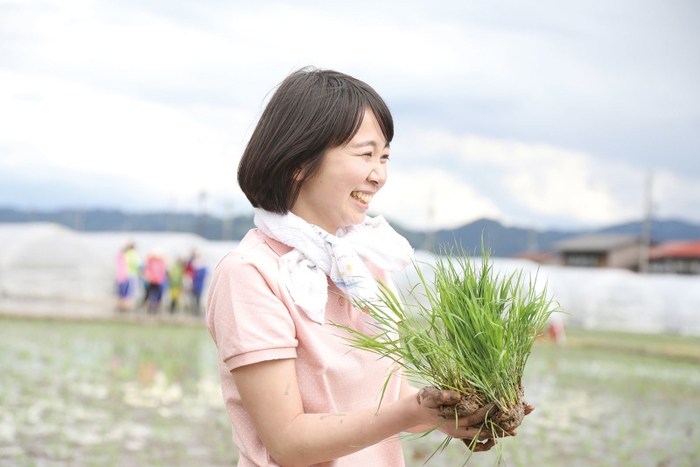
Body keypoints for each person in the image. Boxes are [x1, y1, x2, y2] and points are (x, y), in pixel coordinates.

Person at [206, 68, 532, 467]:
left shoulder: (361, 268)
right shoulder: (251, 273)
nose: (379, 175)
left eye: (385, 156)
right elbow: (287, 442)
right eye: (365, 154)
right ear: (299, 161)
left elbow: (383, 398)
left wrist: (451, 415)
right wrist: (413, 411)